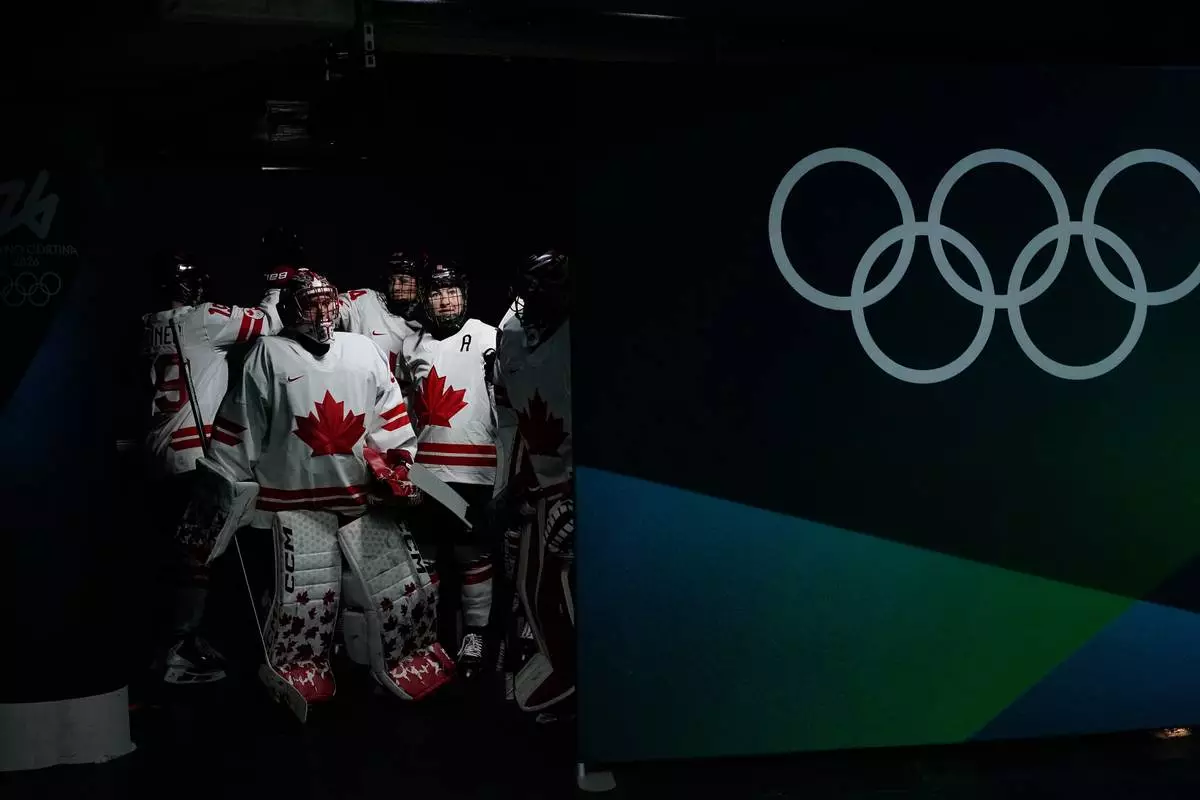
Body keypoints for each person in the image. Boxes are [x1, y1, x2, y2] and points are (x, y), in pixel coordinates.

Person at [206, 267, 454, 714]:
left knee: (404, 596)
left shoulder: (363, 350)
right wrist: (226, 492)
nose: (323, 313)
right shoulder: (267, 354)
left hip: (362, 501)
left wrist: (398, 466)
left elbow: (390, 417)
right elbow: (240, 427)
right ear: (289, 310)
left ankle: (395, 661)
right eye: (311, 304)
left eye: (328, 302)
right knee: (304, 605)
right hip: (292, 506)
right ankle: (299, 666)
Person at [141, 250, 280, 684]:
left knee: (178, 557)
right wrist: (277, 282)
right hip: (193, 455)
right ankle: (178, 651)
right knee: (198, 558)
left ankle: (177, 644)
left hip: (158, 453)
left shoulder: (147, 323)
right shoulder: (202, 318)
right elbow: (267, 321)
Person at [492, 251, 574, 714]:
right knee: (532, 586)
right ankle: (567, 671)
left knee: (571, 585)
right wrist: (511, 484)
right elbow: (513, 420)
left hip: (582, 485)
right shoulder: (512, 336)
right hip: (543, 478)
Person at [408, 260, 498, 680]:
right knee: (425, 555)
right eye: (436, 292)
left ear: (464, 293)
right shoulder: (415, 346)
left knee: (470, 553)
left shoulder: (487, 337)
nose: (445, 300)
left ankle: (475, 635)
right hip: (427, 470)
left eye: (451, 291)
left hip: (476, 469)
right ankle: (427, 638)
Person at [337, 250, 427, 402]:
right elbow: (332, 311)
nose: (396, 288)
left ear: (420, 283)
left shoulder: (429, 323)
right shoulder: (364, 302)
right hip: (359, 400)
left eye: (403, 281)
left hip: (402, 413)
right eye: (393, 281)